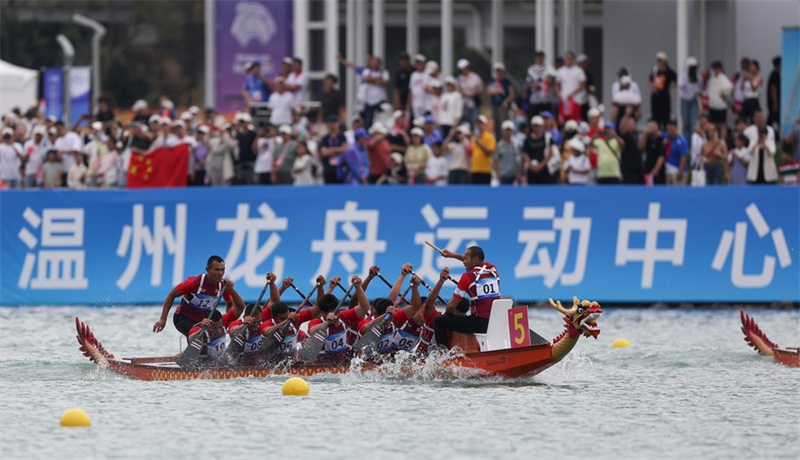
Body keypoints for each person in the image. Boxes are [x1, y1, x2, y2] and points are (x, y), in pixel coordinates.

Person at [153, 255, 246, 337]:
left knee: (211, 333)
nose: (220, 273)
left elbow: (230, 304)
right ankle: (193, 352)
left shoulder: (223, 286)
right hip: (182, 318)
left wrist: (226, 323)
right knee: (200, 335)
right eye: (217, 270)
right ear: (208, 270)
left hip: (204, 321)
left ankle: (189, 353)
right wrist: (163, 319)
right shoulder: (193, 283)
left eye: (223, 269)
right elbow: (171, 295)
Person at [433, 246, 500, 349]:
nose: (463, 262)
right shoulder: (492, 268)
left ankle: (443, 356)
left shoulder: (467, 277)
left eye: (466, 259)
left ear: (475, 259)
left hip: (481, 324)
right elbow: (474, 262)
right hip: (496, 321)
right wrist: (453, 255)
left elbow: (451, 306)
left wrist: (447, 315)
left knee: (439, 321)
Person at [306, 275, 371, 363]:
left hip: (342, 364)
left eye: (337, 312)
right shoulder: (316, 321)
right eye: (332, 312)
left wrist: (358, 287)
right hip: (321, 366)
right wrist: (326, 323)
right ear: (322, 313)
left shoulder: (343, 316)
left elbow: (364, 307)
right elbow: (311, 331)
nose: (336, 315)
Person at [555, 51, 586, 123]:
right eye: (567, 58)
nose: (569, 60)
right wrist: (559, 94)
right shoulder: (560, 71)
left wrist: (572, 93)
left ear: (573, 59)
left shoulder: (579, 71)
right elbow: (556, 84)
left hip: (575, 100)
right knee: (563, 121)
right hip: (564, 100)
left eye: (570, 58)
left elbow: (582, 85)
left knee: (575, 121)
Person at [486, 62, 515, 139]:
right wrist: (495, 91)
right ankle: (497, 139)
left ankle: (504, 138)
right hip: (494, 105)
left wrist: (506, 101)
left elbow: (511, 93)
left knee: (503, 123)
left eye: (500, 70)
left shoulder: (506, 81)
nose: (498, 72)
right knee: (495, 124)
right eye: (497, 70)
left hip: (503, 106)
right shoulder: (492, 81)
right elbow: (488, 92)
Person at [648, 51, 677, 129]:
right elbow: (650, 81)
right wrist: (653, 87)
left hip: (664, 98)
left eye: (660, 61)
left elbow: (676, 81)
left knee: (665, 118)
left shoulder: (669, 72)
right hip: (656, 97)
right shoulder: (655, 70)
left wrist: (671, 87)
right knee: (655, 118)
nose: (659, 63)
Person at [360, 56, 391, 129]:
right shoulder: (367, 71)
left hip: (380, 100)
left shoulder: (384, 72)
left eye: (377, 63)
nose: (375, 65)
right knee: (368, 122)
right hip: (369, 101)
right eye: (373, 63)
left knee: (383, 120)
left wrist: (373, 80)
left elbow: (386, 82)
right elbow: (366, 79)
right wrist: (377, 80)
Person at [525, 50, 557, 117]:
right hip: (535, 100)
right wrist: (534, 85)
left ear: (544, 58)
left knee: (547, 118)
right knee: (535, 119)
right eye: (538, 57)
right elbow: (527, 84)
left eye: (541, 57)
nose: (540, 59)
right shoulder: (531, 70)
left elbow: (555, 82)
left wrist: (547, 82)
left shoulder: (550, 69)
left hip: (547, 100)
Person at [522, 116, 553, 184]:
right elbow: (525, 154)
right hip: (532, 169)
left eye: (538, 126)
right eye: (535, 126)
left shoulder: (547, 138)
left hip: (544, 169)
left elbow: (550, 154)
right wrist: (530, 165)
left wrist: (540, 166)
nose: (537, 128)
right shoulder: (527, 140)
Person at [678, 57, 701, 141]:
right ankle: (686, 143)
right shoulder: (683, 76)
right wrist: (688, 80)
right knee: (686, 123)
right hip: (685, 101)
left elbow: (699, 88)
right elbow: (681, 86)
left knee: (693, 122)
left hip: (693, 101)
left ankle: (693, 142)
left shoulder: (698, 77)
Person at [319, 116, 348, 184]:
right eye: (331, 123)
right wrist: (337, 150)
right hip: (328, 169)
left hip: (340, 168)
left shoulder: (342, 137)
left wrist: (331, 150)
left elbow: (344, 149)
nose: (333, 125)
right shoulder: (325, 138)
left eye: (335, 122)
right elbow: (323, 152)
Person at [706, 60, 733, 132]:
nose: (715, 70)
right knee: (713, 124)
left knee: (722, 124)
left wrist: (724, 95)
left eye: (716, 68)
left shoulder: (723, 79)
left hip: (720, 106)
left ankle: (723, 140)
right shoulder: (712, 78)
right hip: (713, 106)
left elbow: (728, 88)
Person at [493, 120, 522, 185]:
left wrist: (519, 174)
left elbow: (521, 160)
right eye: (506, 130)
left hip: (514, 175)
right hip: (503, 176)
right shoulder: (499, 145)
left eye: (509, 130)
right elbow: (495, 160)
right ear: (502, 131)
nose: (508, 132)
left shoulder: (517, 144)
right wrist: (498, 174)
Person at [618, 110, 643, 184]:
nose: (633, 125)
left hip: (638, 168)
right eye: (631, 124)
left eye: (634, 123)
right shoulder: (625, 136)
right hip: (629, 169)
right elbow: (621, 128)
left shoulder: (636, 136)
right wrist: (627, 114)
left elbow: (641, 147)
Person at [470, 115, 496, 184]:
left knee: (485, 193)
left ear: (485, 125)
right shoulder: (474, 138)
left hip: (485, 170)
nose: (479, 126)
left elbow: (489, 152)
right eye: (477, 124)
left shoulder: (490, 137)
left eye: (481, 123)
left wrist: (479, 143)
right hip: (475, 169)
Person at [640, 119, 667, 185]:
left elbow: (662, 155)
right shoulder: (647, 138)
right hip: (647, 170)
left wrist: (656, 169)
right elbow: (641, 147)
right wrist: (645, 134)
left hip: (659, 172)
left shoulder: (662, 139)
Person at [663, 119, 689, 185]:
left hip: (677, 171)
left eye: (671, 129)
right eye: (668, 129)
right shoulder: (667, 137)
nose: (669, 131)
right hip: (668, 170)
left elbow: (684, 156)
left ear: (675, 128)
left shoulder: (681, 141)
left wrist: (680, 171)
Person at [766, 57, 781, 130]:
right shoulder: (774, 75)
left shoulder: (776, 74)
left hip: (775, 104)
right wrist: (775, 103)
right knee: (772, 120)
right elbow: (773, 89)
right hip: (774, 104)